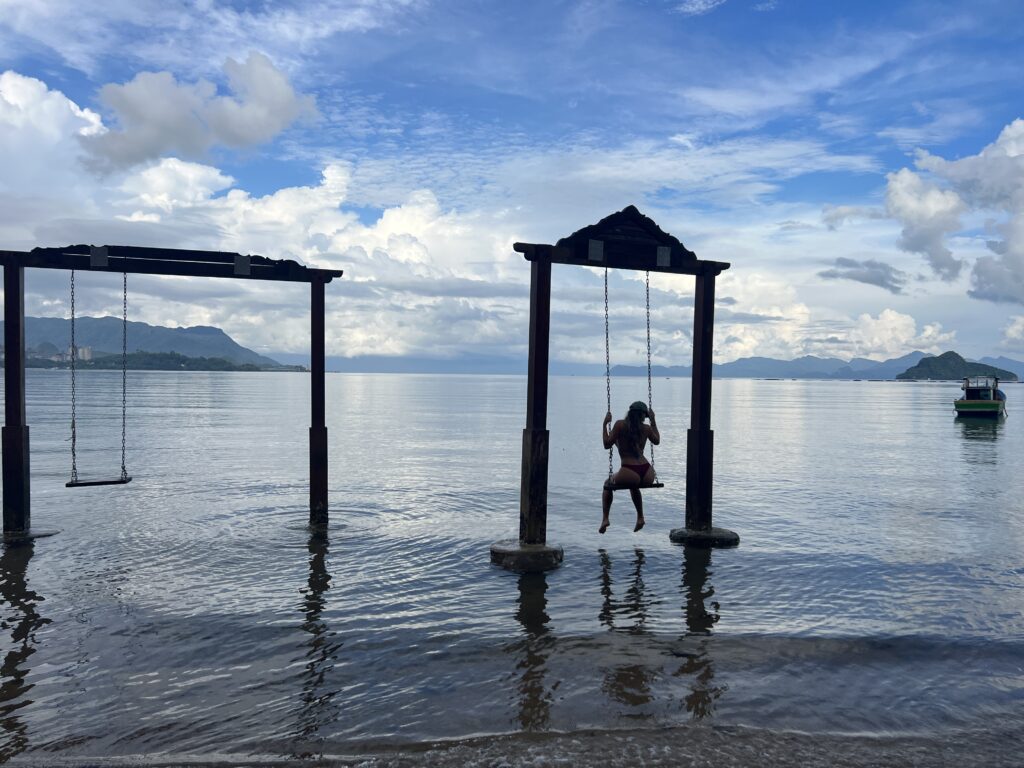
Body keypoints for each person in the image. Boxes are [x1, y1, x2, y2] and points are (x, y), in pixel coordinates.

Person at [600, 401, 660, 534]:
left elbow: (606, 444)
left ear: (630, 413)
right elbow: (657, 441)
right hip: (647, 472)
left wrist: (605, 424)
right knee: (634, 486)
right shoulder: (646, 428)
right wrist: (653, 420)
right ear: (644, 416)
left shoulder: (620, 424)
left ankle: (605, 519)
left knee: (607, 483)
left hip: (629, 470)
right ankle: (640, 517)